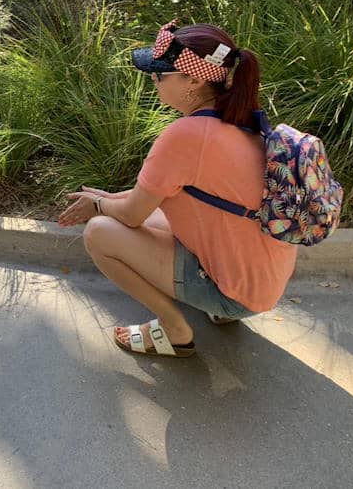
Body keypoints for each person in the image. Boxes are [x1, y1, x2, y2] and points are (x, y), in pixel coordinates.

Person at [58, 20, 297, 358]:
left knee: (99, 233)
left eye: (159, 75)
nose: (153, 82)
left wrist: (97, 208)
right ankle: (219, 308)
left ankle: (174, 330)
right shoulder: (240, 121)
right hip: (260, 281)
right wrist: (107, 198)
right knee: (153, 214)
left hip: (237, 294)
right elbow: (161, 194)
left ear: (194, 81)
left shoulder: (185, 136)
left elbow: (131, 214)